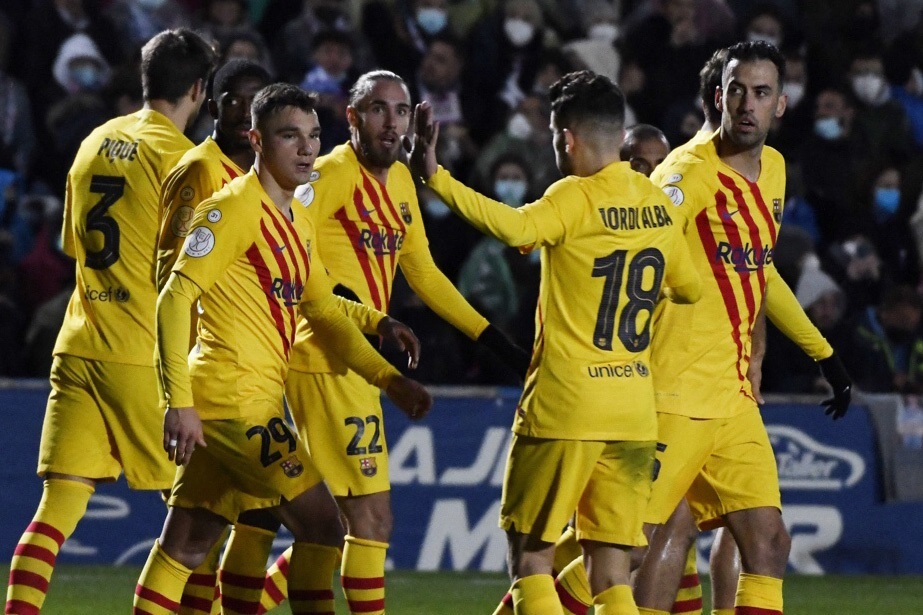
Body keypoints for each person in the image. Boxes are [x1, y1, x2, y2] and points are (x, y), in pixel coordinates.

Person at [132, 82, 432, 615]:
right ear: (256, 140)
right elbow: (173, 300)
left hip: (243, 403)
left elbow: (324, 312)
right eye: (289, 135)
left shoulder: (295, 221)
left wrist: (390, 378)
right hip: (231, 404)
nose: (306, 148)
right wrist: (176, 402)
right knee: (323, 527)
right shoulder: (229, 210)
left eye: (314, 136)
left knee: (186, 545)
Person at [412, 69, 702, 614]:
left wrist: (437, 179)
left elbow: (517, 229)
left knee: (531, 560)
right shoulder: (659, 204)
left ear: (566, 136)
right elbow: (688, 289)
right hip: (634, 408)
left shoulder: (573, 196)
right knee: (610, 570)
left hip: (567, 400)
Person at [247, 70, 530, 615]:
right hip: (322, 356)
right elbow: (286, 245)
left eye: (400, 112)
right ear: (351, 117)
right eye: (377, 109)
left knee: (329, 526)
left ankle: (241, 605)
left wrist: (496, 343)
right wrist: (361, 310)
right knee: (371, 521)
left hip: (360, 362)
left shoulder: (400, 183)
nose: (392, 123)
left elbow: (423, 274)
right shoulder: (326, 175)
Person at [634, 41, 852, 615]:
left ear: (780, 104)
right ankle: (528, 597)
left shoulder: (774, 169)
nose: (747, 104)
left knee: (769, 541)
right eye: (737, 91)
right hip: (674, 391)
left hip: (731, 398)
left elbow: (760, 271)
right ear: (718, 97)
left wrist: (823, 353)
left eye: (760, 93)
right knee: (629, 545)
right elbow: (640, 244)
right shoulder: (687, 172)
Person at [5, 28, 218, 615]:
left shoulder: (94, 141)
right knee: (204, 520)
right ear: (199, 90)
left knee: (54, 515)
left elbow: (76, 247)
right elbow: (193, 271)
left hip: (78, 347)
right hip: (144, 357)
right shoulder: (183, 160)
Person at [155, 57, 272, 615]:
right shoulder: (200, 172)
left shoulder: (266, 183)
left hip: (251, 369)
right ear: (216, 104)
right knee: (212, 530)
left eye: (258, 102)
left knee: (212, 529)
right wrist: (175, 393)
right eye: (238, 99)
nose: (247, 111)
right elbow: (170, 279)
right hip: (207, 373)